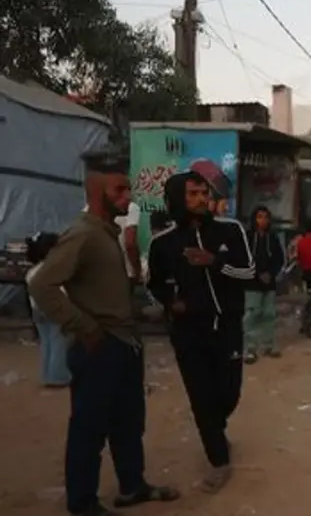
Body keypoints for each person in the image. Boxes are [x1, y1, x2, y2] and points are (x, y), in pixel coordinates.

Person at [28, 149, 180, 516]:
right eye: (120, 190)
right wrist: (84, 327)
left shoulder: (105, 234)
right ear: (97, 192)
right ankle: (82, 503)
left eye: (128, 189)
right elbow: (42, 284)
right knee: (89, 428)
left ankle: (133, 486)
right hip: (101, 346)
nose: (128, 197)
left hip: (123, 343)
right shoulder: (82, 235)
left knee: (128, 423)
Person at [147, 171, 256, 493]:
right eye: (192, 194)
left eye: (203, 193)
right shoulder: (163, 243)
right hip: (187, 331)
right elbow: (153, 284)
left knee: (228, 392)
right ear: (178, 198)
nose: (201, 199)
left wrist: (214, 262)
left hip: (227, 327)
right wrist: (170, 302)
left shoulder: (230, 230)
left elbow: (248, 272)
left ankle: (215, 427)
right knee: (200, 397)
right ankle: (218, 459)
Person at [25, 232, 70, 388]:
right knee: (59, 342)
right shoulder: (53, 270)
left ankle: (46, 375)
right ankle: (58, 376)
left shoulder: (32, 271)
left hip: (37, 311)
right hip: (54, 309)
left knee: (46, 342)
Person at [243, 206, 285, 363]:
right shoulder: (247, 238)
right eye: (259, 217)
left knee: (269, 314)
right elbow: (244, 259)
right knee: (252, 314)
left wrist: (271, 273)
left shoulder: (272, 238)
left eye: (265, 217)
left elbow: (279, 259)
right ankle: (250, 348)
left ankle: (269, 345)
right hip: (251, 282)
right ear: (254, 219)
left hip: (270, 282)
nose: (263, 220)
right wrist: (257, 273)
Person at [82, 200, 142, 280]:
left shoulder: (88, 209)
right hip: (123, 273)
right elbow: (130, 243)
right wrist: (137, 270)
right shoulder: (131, 207)